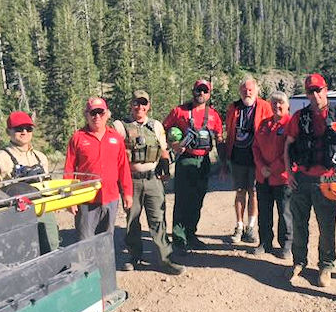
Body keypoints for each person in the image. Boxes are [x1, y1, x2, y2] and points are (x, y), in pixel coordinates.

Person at [284, 73, 336, 287]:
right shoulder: (299, 116)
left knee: (326, 226)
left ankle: (326, 265)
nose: (315, 95)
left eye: (318, 90)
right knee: (299, 224)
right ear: (306, 93)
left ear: (326, 90)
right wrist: (289, 173)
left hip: (327, 180)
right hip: (302, 178)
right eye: (310, 91)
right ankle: (299, 262)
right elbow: (287, 146)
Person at [113, 90, 184, 275]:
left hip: (153, 179)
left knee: (158, 220)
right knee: (132, 220)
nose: (140, 107)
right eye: (136, 103)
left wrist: (166, 168)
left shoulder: (156, 125)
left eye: (143, 103)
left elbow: (162, 150)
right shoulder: (121, 127)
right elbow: (113, 151)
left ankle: (165, 259)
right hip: (132, 181)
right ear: (131, 105)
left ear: (148, 106)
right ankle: (134, 256)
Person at [0, 111, 59, 254]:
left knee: (52, 247)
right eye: (18, 128)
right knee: (24, 254)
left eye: (28, 128)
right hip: (15, 217)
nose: (24, 132)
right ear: (8, 131)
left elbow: (47, 185)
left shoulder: (41, 157)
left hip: (44, 212)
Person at [163, 79, 224, 255]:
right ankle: (179, 238)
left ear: (209, 93)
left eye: (205, 91)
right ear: (193, 91)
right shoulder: (179, 111)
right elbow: (163, 129)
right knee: (182, 200)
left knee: (197, 200)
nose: (201, 94)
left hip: (204, 162)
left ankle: (191, 234)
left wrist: (224, 163)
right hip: (186, 160)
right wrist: (173, 144)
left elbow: (219, 139)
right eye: (199, 90)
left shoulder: (213, 115)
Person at [64, 97, 133, 239]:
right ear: (86, 115)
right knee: (85, 241)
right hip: (86, 199)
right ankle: (86, 263)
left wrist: (127, 192)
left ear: (107, 114)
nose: (96, 117)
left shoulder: (116, 137)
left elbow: (123, 167)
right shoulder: (77, 138)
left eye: (100, 112)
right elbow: (69, 169)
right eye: (92, 113)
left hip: (110, 197)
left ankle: (105, 262)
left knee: (106, 239)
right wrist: (69, 199)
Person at [223, 75, 273, 243]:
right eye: (244, 90)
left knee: (254, 192)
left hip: (257, 157)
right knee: (239, 191)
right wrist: (225, 160)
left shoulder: (265, 107)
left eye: (250, 90)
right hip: (238, 156)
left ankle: (251, 227)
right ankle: (239, 225)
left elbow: (271, 131)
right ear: (240, 92)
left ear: (257, 90)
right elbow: (228, 133)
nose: (247, 92)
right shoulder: (234, 108)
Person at [251, 91, 293, 258]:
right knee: (264, 210)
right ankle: (265, 242)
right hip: (263, 176)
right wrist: (261, 166)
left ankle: (286, 245)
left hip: (282, 177)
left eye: (280, 103)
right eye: (274, 103)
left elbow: (291, 151)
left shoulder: (291, 124)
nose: (277, 106)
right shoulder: (264, 124)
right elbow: (255, 147)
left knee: (285, 212)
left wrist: (274, 168)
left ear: (287, 106)